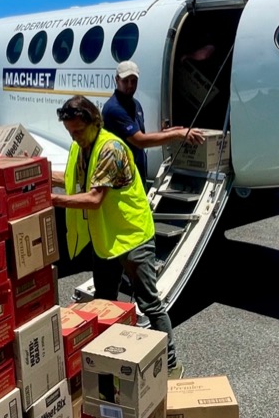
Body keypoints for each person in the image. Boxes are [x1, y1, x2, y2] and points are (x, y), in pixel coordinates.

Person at [50, 94, 177, 370]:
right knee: (105, 303)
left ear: (95, 121)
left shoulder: (110, 149)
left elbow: (95, 198)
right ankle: (111, 358)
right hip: (107, 240)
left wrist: (54, 200)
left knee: (150, 304)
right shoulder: (81, 146)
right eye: (70, 132)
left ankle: (170, 364)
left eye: (79, 131)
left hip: (131, 236)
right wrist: (40, 173)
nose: (74, 138)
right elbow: (73, 178)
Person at [99, 60, 202, 191]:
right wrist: (176, 134)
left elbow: (140, 135)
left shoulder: (135, 104)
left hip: (137, 174)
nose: (130, 85)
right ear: (117, 80)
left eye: (134, 81)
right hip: (121, 180)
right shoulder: (114, 109)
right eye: (125, 81)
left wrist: (167, 132)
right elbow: (140, 141)